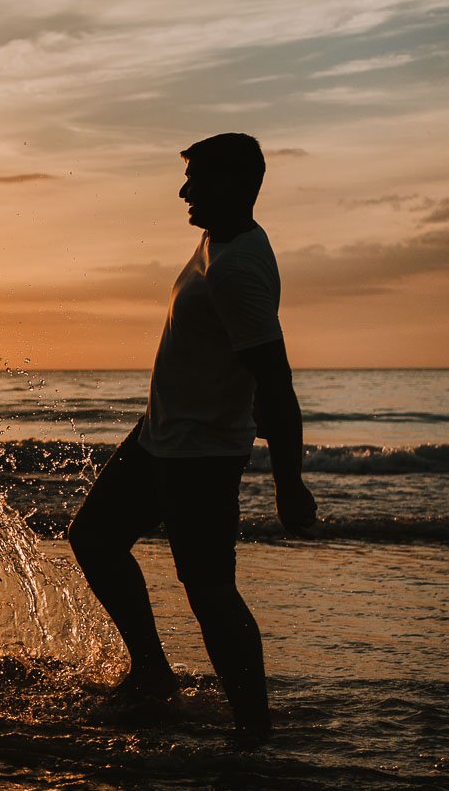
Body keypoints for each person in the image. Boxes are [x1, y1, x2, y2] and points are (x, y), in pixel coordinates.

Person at [67, 133, 317, 735]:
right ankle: (152, 672)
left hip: (199, 455)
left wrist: (289, 481)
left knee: (209, 591)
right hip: (160, 436)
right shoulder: (221, 240)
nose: (185, 190)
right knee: (95, 539)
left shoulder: (237, 271)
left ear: (234, 184)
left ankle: (254, 730)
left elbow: (276, 385)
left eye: (197, 178)